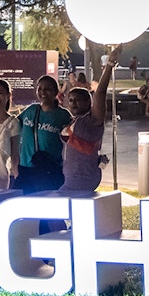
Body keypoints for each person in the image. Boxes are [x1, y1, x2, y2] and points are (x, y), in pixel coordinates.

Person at [59, 49, 120, 194]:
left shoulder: (91, 122)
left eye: (78, 100)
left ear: (89, 102)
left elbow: (100, 93)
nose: (73, 103)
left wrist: (109, 65)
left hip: (81, 182)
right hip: (71, 181)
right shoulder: (74, 121)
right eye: (71, 100)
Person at [17, 74, 72, 196]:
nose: (43, 92)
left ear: (55, 92)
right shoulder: (31, 110)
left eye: (47, 89)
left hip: (49, 169)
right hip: (26, 167)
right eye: (40, 89)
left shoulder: (63, 115)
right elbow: (13, 125)